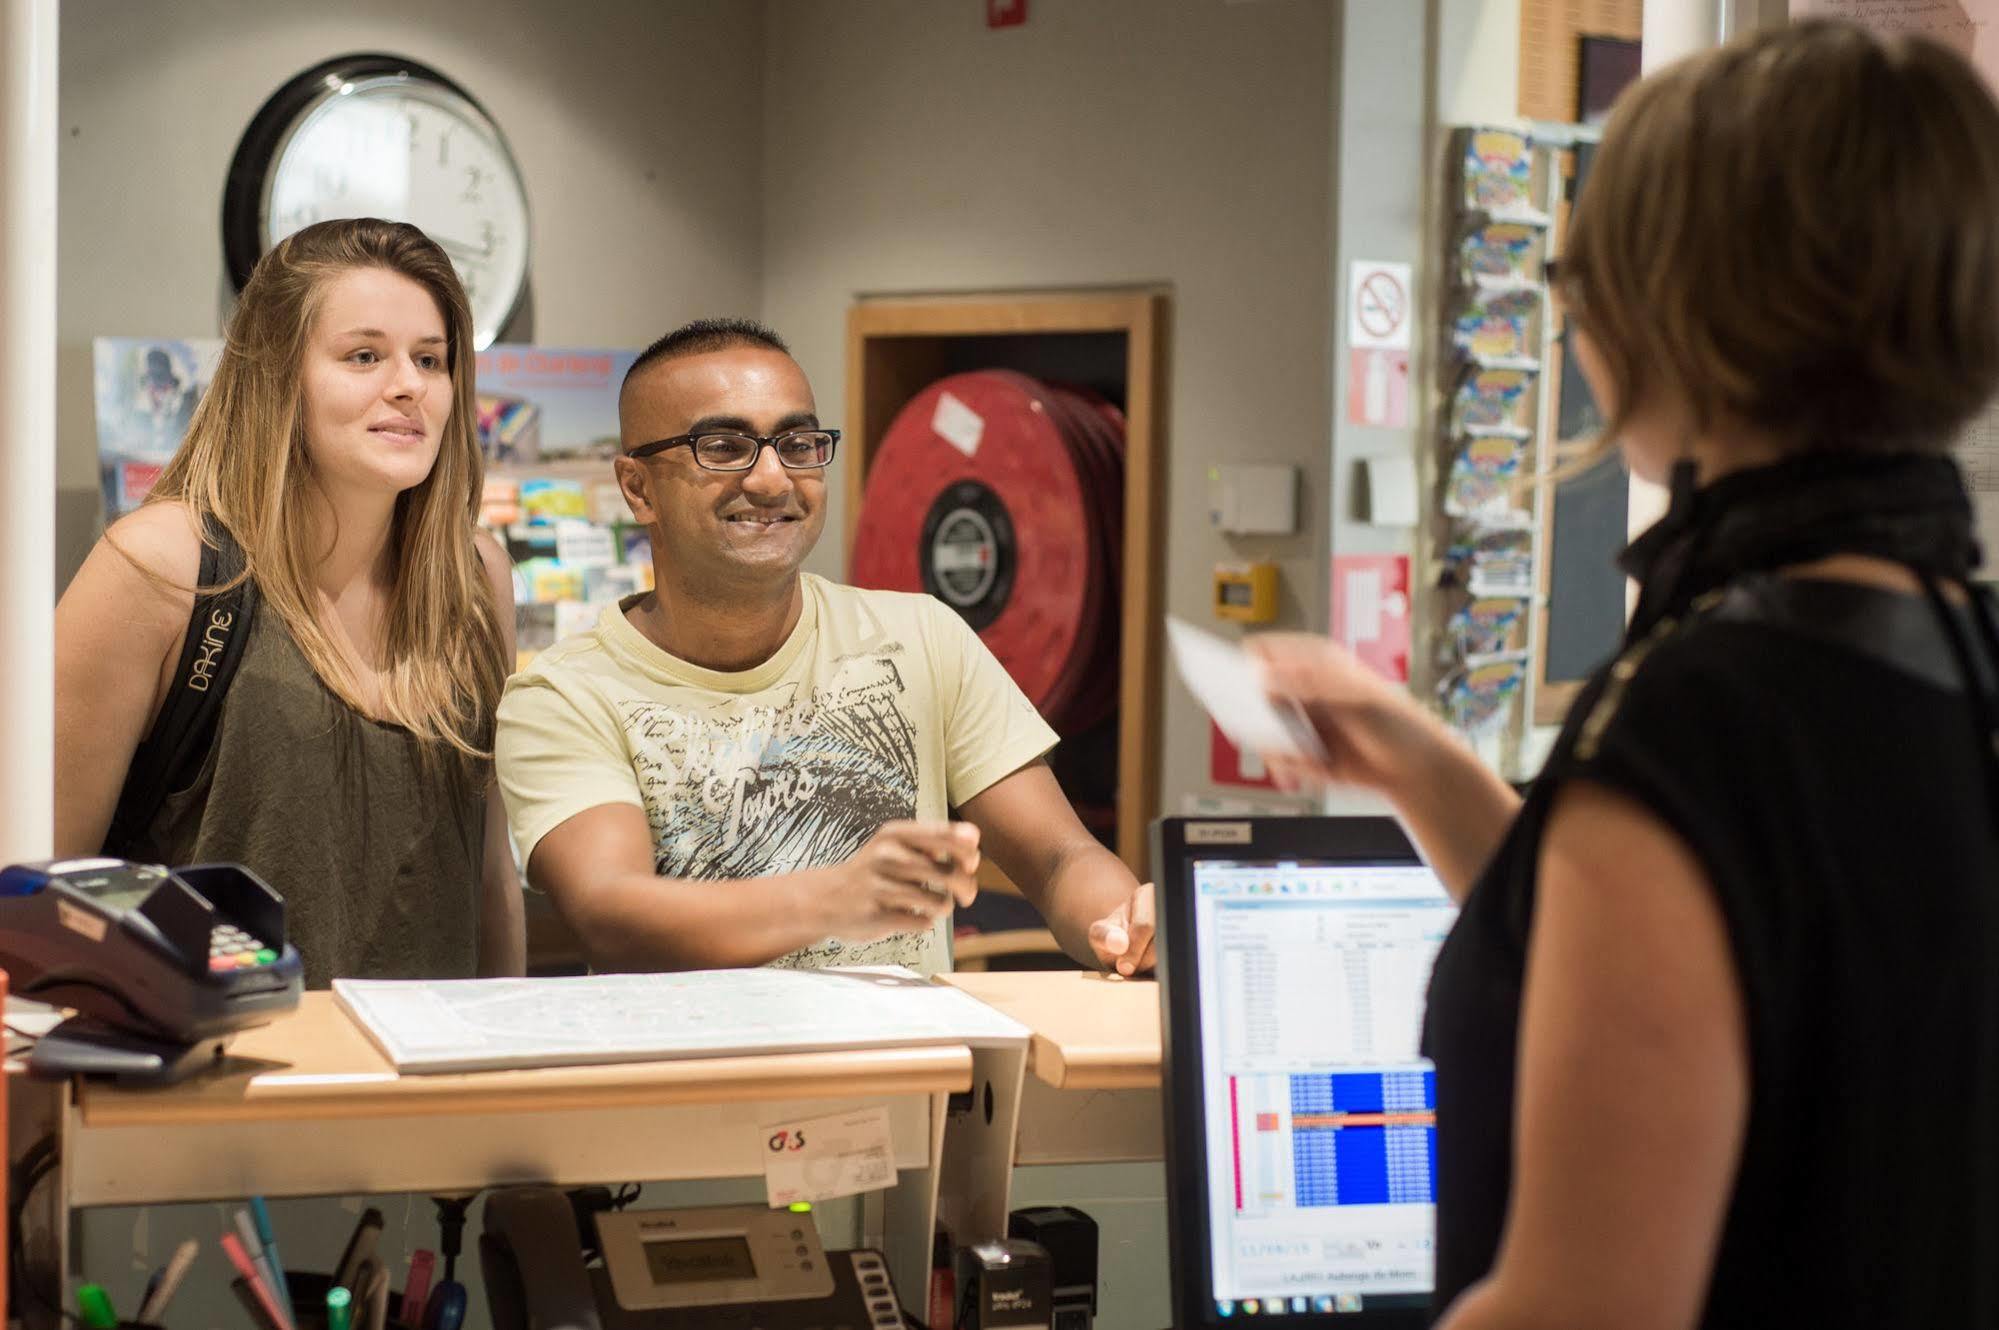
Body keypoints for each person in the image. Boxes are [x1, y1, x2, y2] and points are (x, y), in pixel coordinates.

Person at [1254, 22, 1999, 1328]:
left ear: (1677, 307)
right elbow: (1704, 966)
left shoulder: (1708, 715)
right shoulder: (1950, 651)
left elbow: (1584, 1303)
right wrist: (1424, 762)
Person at [495, 318, 1152, 976]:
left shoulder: (922, 638)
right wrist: (834, 897)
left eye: (798, 443)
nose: (774, 479)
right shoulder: (565, 694)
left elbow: (1060, 859)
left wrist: (1122, 923)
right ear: (638, 488)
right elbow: (612, 915)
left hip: (908, 1076)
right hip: (691, 1077)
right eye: (724, 447)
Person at [55, 218, 526, 987]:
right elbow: (46, 885)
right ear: (278, 373)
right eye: (364, 355)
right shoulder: (165, 565)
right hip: (219, 1088)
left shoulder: (476, 577)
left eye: (431, 359)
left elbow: (486, 876)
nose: (408, 384)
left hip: (440, 1085)